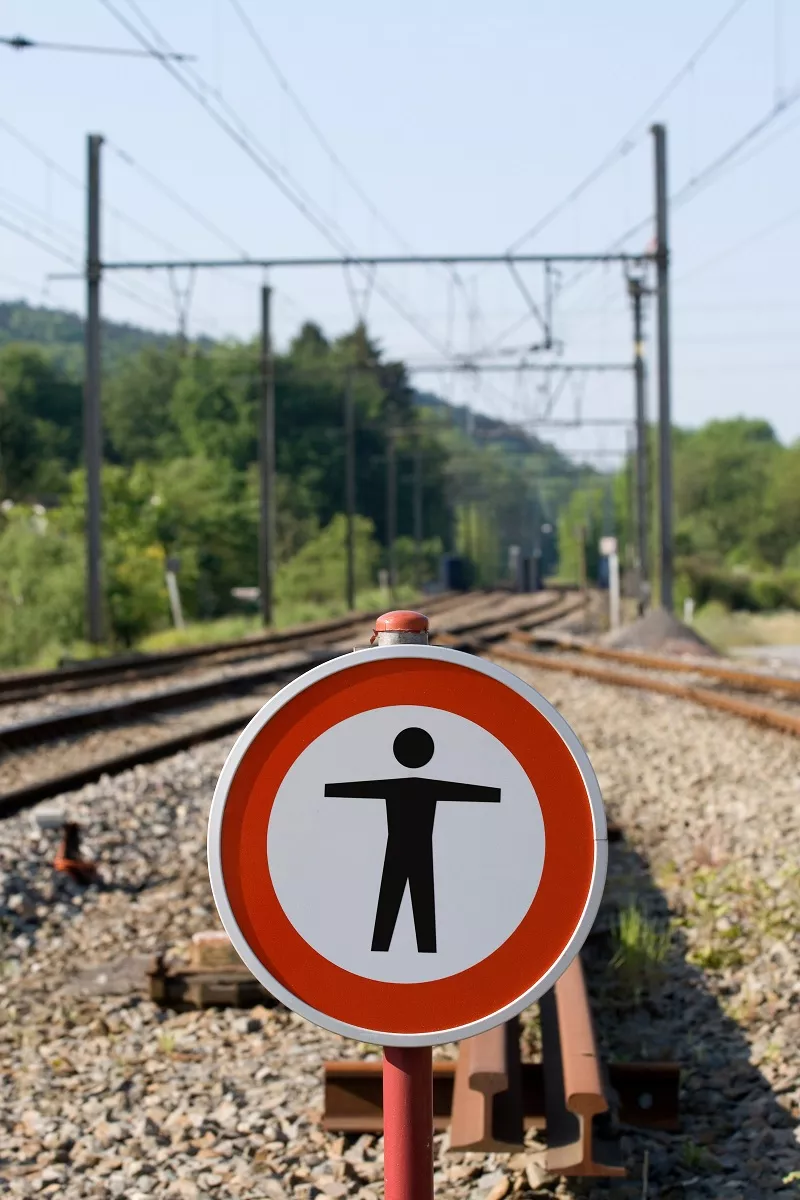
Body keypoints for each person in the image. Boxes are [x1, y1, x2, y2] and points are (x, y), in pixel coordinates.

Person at [325, 726, 500, 953]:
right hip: (418, 852)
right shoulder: (430, 787)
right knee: (419, 899)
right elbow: (475, 792)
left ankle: (384, 950)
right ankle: (412, 950)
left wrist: (328, 788)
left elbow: (352, 788)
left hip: (398, 851)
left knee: (395, 898)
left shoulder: (394, 785)